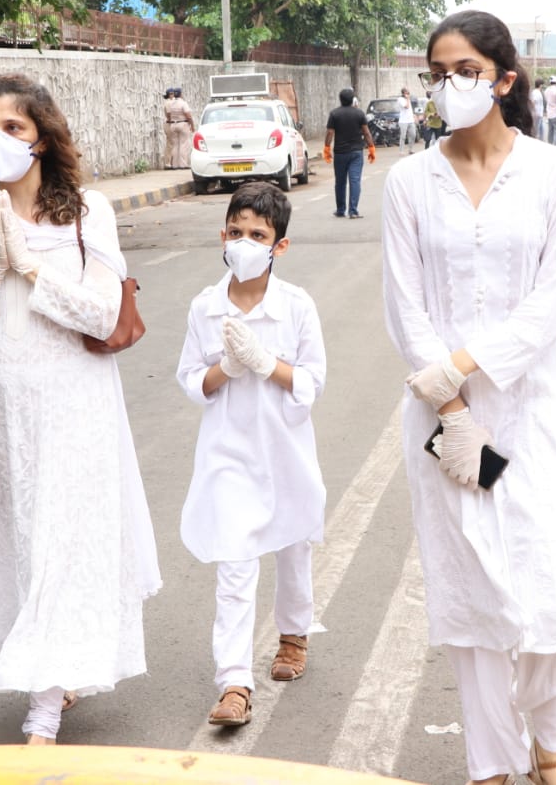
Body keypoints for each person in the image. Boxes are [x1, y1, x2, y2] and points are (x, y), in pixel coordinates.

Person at [383, 10, 556, 785]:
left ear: (504, 79)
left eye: (467, 71)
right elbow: (405, 303)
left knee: (553, 576)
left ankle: (551, 743)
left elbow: (555, 300)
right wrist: (451, 408)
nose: (450, 86)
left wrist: (466, 364)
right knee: (471, 590)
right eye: (438, 72)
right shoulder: (409, 181)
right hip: (448, 419)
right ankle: (491, 763)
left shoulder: (554, 173)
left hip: (539, 409)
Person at [0, 73, 161, 745]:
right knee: (15, 547)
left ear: (43, 137)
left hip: (73, 408)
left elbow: (104, 312)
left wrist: (32, 267)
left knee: (60, 542)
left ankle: (44, 710)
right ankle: (54, 667)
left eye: (15, 128)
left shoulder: (86, 211)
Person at [176, 181, 328, 729]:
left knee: (292, 549)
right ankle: (234, 681)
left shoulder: (297, 306)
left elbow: (314, 378)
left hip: (286, 452)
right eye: (236, 232)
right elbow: (192, 380)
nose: (244, 242)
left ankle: (292, 636)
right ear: (223, 236)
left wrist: (265, 363)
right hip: (229, 455)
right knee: (235, 566)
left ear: (278, 246)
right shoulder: (204, 307)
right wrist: (228, 368)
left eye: (257, 235)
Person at [323, 88, 376, 219]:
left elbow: (330, 132)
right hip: (356, 153)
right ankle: (353, 211)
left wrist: (326, 148)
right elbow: (366, 132)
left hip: (340, 153)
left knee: (340, 182)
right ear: (353, 99)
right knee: (355, 181)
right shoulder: (359, 114)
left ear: (340, 99)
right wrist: (371, 148)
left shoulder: (334, 114)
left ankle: (341, 210)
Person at [163, 87, 195, 169]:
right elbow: (189, 116)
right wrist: (192, 125)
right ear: (180, 94)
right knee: (183, 145)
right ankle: (183, 164)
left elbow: (169, 115)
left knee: (175, 145)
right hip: (182, 124)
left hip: (173, 124)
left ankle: (175, 164)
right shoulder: (183, 103)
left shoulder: (171, 103)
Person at [398, 87, 419, 154]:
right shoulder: (400, 99)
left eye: (409, 93)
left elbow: (410, 110)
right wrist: (407, 99)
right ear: (403, 93)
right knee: (403, 136)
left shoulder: (408, 99)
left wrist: (414, 116)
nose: (408, 94)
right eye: (407, 93)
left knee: (413, 135)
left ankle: (410, 149)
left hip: (410, 120)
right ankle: (401, 150)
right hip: (403, 121)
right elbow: (406, 107)